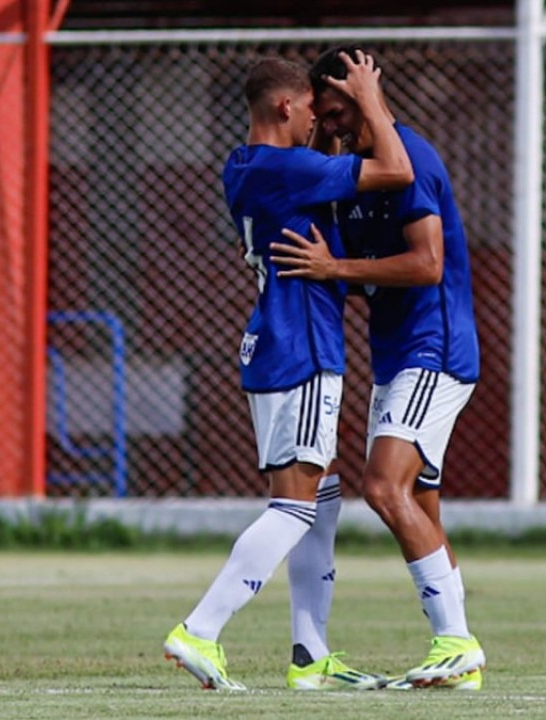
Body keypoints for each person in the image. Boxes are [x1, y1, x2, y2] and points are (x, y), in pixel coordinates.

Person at [162, 52, 413, 691]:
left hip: (272, 345)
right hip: (302, 347)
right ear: (284, 107)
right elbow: (396, 169)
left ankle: (310, 653)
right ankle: (200, 629)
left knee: (318, 497)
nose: (316, 124)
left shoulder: (243, 165)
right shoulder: (292, 167)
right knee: (294, 507)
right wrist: (369, 97)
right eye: (309, 110)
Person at [270, 45, 486, 690]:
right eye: (323, 116)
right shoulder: (354, 172)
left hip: (435, 348)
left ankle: (457, 643)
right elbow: (353, 272)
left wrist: (337, 270)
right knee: (418, 501)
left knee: (383, 486)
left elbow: (426, 265)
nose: (331, 126)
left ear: (367, 95)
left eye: (339, 109)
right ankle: (457, 654)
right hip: (398, 357)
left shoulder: (409, 158)